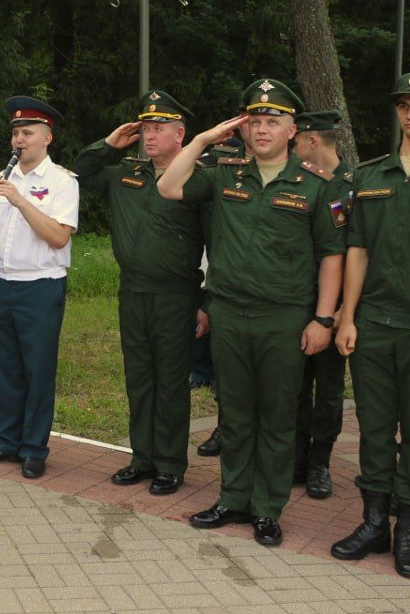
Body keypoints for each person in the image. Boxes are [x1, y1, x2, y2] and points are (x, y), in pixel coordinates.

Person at [157, 79, 345, 547]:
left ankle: (267, 508)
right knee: (236, 413)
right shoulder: (226, 175)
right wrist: (202, 140)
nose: (262, 130)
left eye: (272, 121)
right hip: (230, 313)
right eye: (254, 121)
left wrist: (323, 319)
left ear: (292, 130)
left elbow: (332, 257)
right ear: (242, 128)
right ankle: (233, 498)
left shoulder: (316, 186)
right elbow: (167, 185)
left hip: (284, 317)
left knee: (278, 416)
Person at [71, 90, 206, 495]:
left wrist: (207, 303)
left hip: (176, 294)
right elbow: (80, 173)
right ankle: (142, 458)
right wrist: (110, 143)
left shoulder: (198, 180)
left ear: (179, 134)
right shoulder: (126, 172)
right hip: (132, 292)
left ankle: (170, 464)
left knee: (170, 380)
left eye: (159, 128)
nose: (149, 136)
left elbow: (216, 245)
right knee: (139, 377)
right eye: (146, 128)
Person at [0, 96, 79, 481]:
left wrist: (21, 200)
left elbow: (59, 237)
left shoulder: (62, 182)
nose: (19, 140)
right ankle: (7, 440)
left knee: (37, 369)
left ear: (47, 138)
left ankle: (34, 449)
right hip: (1, 283)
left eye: (27, 133)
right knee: (5, 367)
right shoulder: (0, 177)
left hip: (40, 287)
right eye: (15, 133)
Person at [330, 73, 410, 574]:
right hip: (376, 323)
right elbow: (355, 250)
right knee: (375, 428)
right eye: (404, 105)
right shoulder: (371, 176)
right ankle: (375, 524)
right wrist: (347, 316)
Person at [290, 109, 353, 500]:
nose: (292, 148)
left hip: (336, 306)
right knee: (295, 384)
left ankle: (320, 463)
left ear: (312, 141)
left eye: (296, 141)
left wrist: (343, 312)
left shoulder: (356, 185)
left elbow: (360, 251)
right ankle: (296, 459)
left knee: (328, 390)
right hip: (295, 300)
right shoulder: (299, 184)